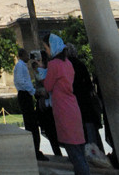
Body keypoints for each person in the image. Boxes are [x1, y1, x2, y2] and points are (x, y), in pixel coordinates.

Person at [43, 33, 90, 175]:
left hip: (63, 108)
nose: (46, 51)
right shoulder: (68, 63)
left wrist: (42, 70)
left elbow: (48, 85)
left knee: (74, 153)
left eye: (46, 48)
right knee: (79, 151)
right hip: (72, 106)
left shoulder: (53, 64)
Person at [13, 47, 48, 161]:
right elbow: (21, 82)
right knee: (31, 123)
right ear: (22, 55)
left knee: (32, 123)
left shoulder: (22, 66)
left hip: (26, 94)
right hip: (24, 94)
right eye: (27, 55)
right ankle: (34, 150)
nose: (29, 57)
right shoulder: (20, 66)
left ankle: (35, 148)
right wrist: (33, 91)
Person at [33, 50, 62, 156]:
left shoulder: (49, 70)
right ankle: (58, 153)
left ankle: (59, 152)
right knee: (52, 132)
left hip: (51, 105)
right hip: (48, 106)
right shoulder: (41, 71)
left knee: (54, 131)